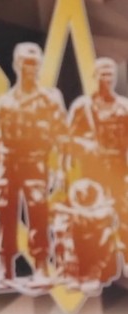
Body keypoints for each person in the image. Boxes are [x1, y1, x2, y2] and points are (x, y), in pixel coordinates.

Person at [0, 42, 67, 295]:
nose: (29, 68)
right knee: (5, 214)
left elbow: (61, 135)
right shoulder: (6, 100)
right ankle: (6, 268)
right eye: (25, 63)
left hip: (35, 162)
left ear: (39, 66)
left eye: (33, 64)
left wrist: (60, 169)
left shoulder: (49, 98)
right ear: (16, 65)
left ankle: (41, 266)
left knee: (38, 213)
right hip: (7, 162)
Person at [66, 57, 128, 270]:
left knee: (124, 211)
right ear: (95, 77)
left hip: (118, 167)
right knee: (91, 216)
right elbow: (68, 138)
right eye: (103, 74)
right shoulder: (82, 107)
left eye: (110, 74)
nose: (107, 78)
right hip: (92, 169)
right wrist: (87, 145)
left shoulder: (124, 107)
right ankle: (92, 262)